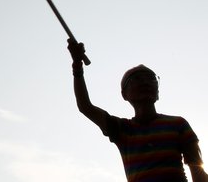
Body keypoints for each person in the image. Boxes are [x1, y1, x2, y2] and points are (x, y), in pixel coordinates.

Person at [68, 38, 207, 182]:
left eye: (151, 78)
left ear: (157, 91)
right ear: (124, 94)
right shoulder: (122, 129)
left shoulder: (178, 124)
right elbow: (85, 106)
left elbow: (197, 170)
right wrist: (77, 65)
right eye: (137, 79)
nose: (145, 82)